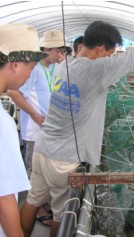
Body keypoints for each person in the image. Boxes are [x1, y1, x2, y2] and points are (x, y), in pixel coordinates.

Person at [20, 3, 134, 237]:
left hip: (43, 149)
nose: (111, 59)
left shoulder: (65, 64)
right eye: (110, 54)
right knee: (60, 215)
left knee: (32, 200)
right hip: (63, 160)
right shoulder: (96, 70)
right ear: (101, 48)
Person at [7, 29, 71, 227]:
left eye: (63, 52)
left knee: (45, 168)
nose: (60, 56)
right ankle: (38, 208)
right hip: (35, 129)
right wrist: (35, 115)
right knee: (34, 168)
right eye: (57, 51)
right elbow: (15, 93)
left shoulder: (52, 68)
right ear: (45, 49)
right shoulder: (33, 70)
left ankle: (41, 203)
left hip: (48, 127)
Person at [0, 22, 46, 237]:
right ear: (16, 64)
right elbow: (4, 198)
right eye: (31, 67)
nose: (30, 74)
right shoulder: (3, 123)